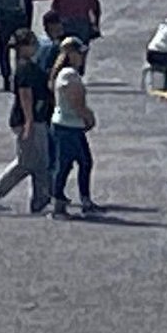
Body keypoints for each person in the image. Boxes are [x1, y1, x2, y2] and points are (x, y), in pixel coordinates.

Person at [0, 30, 53, 214]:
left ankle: (40, 200)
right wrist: (29, 121)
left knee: (39, 162)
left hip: (36, 118)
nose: (35, 47)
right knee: (27, 162)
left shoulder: (28, 65)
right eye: (32, 43)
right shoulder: (25, 68)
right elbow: (25, 95)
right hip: (29, 120)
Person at [48, 38, 99, 217]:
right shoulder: (69, 75)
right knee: (66, 165)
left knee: (82, 162)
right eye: (79, 53)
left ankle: (83, 200)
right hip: (67, 126)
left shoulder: (68, 74)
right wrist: (88, 117)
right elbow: (76, 102)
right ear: (71, 54)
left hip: (70, 125)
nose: (82, 57)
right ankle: (59, 203)